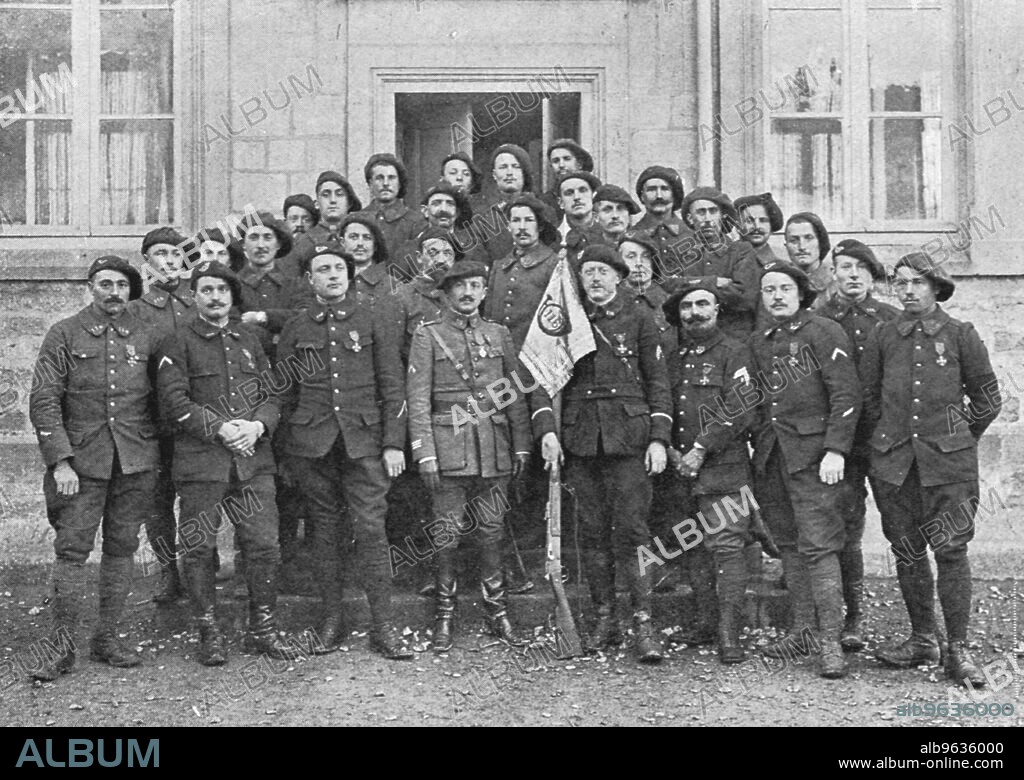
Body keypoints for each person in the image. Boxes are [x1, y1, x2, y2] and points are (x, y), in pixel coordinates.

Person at [861, 253, 1000, 687]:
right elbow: (868, 401)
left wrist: (953, 439)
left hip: (948, 467)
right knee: (906, 551)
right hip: (895, 466)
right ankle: (923, 638)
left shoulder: (961, 334)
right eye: (900, 282)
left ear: (936, 287)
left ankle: (958, 649)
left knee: (951, 551)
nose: (907, 290)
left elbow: (987, 400)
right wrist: (883, 448)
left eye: (917, 282)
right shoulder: (884, 335)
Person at [534, 244, 673, 663]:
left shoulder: (640, 317)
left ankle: (643, 623)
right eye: (588, 272)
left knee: (632, 531)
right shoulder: (565, 320)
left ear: (618, 277)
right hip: (579, 440)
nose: (594, 278)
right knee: (592, 534)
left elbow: (658, 382)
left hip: (629, 438)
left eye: (602, 272)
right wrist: (547, 431)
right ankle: (603, 619)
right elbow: (542, 378)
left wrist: (658, 439)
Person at [275, 246, 414, 659]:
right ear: (310, 280)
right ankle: (330, 620)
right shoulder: (298, 326)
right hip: (311, 446)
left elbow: (393, 386)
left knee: (371, 529)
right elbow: (284, 395)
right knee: (324, 530)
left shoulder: (373, 319)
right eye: (323, 270)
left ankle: (384, 626)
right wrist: (285, 454)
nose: (332, 275)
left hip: (366, 444)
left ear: (350, 276)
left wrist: (393, 442)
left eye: (339, 268)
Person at [157, 260, 297, 665]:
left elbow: (273, 395)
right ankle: (208, 631)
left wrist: (256, 427)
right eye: (206, 290)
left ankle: (262, 629)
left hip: (254, 461)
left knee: (264, 546)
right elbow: (174, 402)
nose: (215, 297)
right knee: (199, 549)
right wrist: (221, 429)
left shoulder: (250, 338)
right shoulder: (176, 339)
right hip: (202, 463)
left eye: (222, 290)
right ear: (194, 296)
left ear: (233, 296)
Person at [29, 256, 161, 680]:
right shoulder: (64, 334)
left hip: (135, 461)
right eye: (105, 283)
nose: (114, 292)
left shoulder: (147, 335)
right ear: (90, 286)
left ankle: (107, 638)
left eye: (122, 284)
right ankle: (60, 648)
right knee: (71, 550)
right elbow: (44, 401)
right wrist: (61, 463)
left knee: (122, 547)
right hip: (83, 464)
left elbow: (163, 400)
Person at [406, 261, 533, 651]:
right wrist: (425, 453)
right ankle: (444, 617)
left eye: (476, 285)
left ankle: (498, 612)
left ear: (483, 291)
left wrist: (522, 442)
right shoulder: (428, 335)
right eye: (460, 286)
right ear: (445, 292)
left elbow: (512, 392)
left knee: (492, 531)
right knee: (447, 534)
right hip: (447, 450)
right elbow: (418, 400)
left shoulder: (498, 334)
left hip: (492, 448)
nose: (468, 292)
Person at [750, 263, 861, 679]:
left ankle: (831, 641)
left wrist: (836, 450)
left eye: (783, 288)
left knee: (819, 546)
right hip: (773, 457)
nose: (776, 296)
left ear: (800, 292)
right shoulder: (762, 340)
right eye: (768, 290)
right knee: (790, 546)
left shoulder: (824, 331)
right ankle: (802, 632)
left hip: (815, 458)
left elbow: (846, 395)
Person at [661, 279, 758, 663]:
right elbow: (660, 403)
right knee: (692, 548)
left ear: (717, 310)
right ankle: (704, 622)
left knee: (727, 549)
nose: (695, 312)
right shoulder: (670, 356)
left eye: (703, 304)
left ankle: (729, 632)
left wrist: (701, 448)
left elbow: (741, 406)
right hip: (677, 470)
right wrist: (669, 451)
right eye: (687, 306)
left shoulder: (736, 352)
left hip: (723, 468)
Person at [817, 239, 899, 651]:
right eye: (843, 267)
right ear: (833, 273)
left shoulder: (891, 319)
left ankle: (925, 629)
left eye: (859, 268)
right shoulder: (819, 318)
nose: (851, 275)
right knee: (846, 528)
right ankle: (853, 616)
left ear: (872, 273)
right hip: (840, 441)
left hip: (883, 439)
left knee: (901, 525)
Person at [129, 227, 194, 604]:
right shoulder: (135, 310)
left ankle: (202, 567)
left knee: (199, 497)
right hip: (153, 422)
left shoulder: (199, 301)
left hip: (196, 419)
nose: (169, 261)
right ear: (147, 263)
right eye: (160, 254)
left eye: (175, 254)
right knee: (157, 503)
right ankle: (168, 575)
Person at [677, 186, 761, 340]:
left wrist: (690, 286)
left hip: (733, 340)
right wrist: (714, 281)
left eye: (713, 211)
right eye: (701, 212)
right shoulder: (681, 255)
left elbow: (745, 298)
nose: (708, 219)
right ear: (690, 218)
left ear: (722, 216)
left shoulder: (742, 251)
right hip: (691, 340)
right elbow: (672, 288)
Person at [482, 194, 560, 349]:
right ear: (508, 226)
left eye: (529, 220)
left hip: (537, 355)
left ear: (540, 226)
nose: (522, 227)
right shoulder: (499, 266)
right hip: (500, 356)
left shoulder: (554, 265)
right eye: (516, 220)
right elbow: (489, 318)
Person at [355, 152, 427, 260]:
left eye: (391, 178)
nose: (385, 183)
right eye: (379, 178)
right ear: (370, 184)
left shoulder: (416, 222)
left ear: (399, 183)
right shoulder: (357, 219)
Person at [473, 143, 534, 268]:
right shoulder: (482, 218)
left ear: (524, 173)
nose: (509, 173)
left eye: (516, 167)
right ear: (494, 175)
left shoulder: (543, 212)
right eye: (503, 167)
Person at [632, 165, 690, 273]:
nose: (659, 196)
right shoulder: (632, 235)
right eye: (651, 190)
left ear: (674, 194)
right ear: (642, 196)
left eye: (665, 189)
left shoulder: (691, 234)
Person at [338, 213, 393, 308]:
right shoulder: (333, 280)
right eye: (353, 237)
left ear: (375, 245)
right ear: (343, 242)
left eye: (367, 238)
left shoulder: (392, 285)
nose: (360, 243)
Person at [784, 212, 832, 307]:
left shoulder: (835, 283)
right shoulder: (779, 281)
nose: (802, 246)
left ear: (821, 242)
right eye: (794, 240)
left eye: (809, 238)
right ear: (786, 246)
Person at [541, 138, 595, 221]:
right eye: (556, 161)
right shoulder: (545, 202)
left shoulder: (594, 195)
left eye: (567, 159)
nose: (561, 165)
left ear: (579, 164)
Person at [556, 171, 603, 264]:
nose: (577, 197)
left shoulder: (606, 232)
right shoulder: (553, 238)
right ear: (561, 202)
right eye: (569, 193)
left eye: (582, 190)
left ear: (593, 197)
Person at [593, 184, 640, 250]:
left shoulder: (640, 247)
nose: (615, 216)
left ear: (629, 215)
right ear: (596, 217)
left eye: (620, 209)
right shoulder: (590, 248)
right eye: (607, 210)